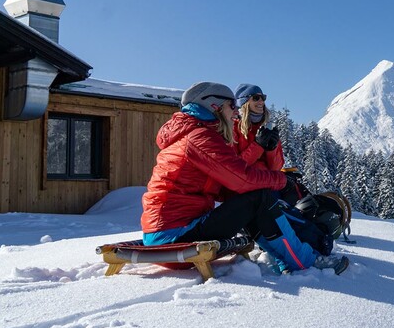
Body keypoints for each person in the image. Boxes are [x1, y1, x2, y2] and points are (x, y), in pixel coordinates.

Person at [140, 81, 344, 273]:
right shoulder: (200, 137)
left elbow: (229, 186)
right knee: (259, 198)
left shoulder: (198, 134)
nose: (236, 111)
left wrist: (270, 159)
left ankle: (292, 257)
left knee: (257, 199)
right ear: (215, 106)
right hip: (174, 237)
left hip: (172, 231)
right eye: (232, 106)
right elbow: (241, 178)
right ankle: (305, 262)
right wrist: (281, 180)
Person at [232, 83, 284, 171]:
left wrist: (272, 149)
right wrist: (258, 145)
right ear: (244, 102)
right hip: (245, 182)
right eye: (256, 98)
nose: (261, 102)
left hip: (267, 181)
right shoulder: (232, 127)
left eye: (263, 98)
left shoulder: (267, 128)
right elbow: (234, 168)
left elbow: (276, 168)